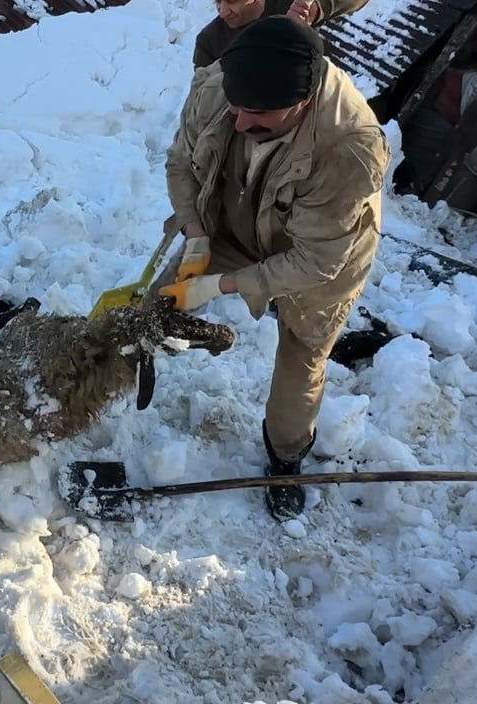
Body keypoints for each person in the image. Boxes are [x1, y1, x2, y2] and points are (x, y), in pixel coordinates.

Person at [156, 16, 391, 522]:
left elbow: (317, 259)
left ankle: (285, 457)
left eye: (258, 114)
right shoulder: (221, 84)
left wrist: (223, 285)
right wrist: (197, 233)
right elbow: (180, 162)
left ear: (303, 102)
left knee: (301, 362)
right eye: (236, 110)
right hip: (231, 220)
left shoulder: (348, 145)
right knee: (159, 302)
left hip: (321, 256)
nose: (241, 124)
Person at [191, 0, 370, 72]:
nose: (222, 12)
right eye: (218, 1)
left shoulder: (288, 5)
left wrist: (317, 7)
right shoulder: (209, 41)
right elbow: (203, 100)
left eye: (231, 1)